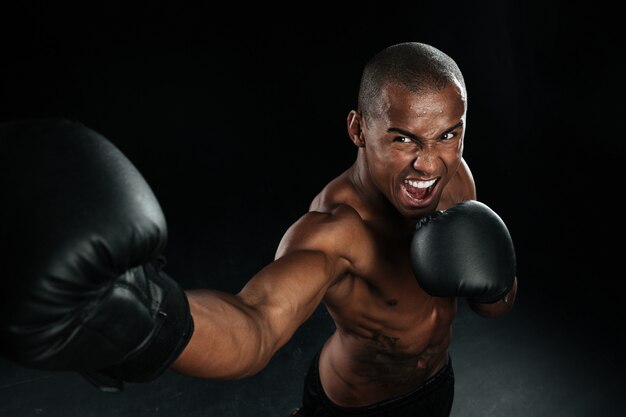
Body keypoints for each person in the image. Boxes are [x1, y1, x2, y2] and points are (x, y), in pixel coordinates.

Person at [0, 42, 517, 417]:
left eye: (448, 135)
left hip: (436, 390)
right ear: (359, 129)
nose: (429, 165)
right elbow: (256, 324)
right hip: (356, 405)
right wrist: (144, 317)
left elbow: (493, 306)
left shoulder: (455, 180)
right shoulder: (335, 231)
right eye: (405, 140)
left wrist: (498, 280)